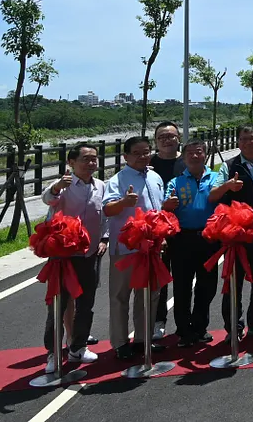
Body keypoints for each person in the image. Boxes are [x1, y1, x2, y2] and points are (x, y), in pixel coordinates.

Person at [166, 139, 241, 347]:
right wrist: (167, 205)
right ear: (183, 156)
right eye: (190, 152)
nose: (194, 155)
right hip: (182, 240)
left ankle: (200, 327)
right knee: (182, 286)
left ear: (205, 155)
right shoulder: (175, 182)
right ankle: (183, 330)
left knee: (207, 286)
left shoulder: (216, 179)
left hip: (210, 238)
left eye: (198, 152)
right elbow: (166, 207)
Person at [39, 143, 107, 372]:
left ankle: (78, 347)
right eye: (86, 159)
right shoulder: (64, 185)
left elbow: (103, 216)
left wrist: (104, 239)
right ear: (71, 162)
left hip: (89, 254)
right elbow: (48, 198)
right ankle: (53, 353)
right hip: (64, 256)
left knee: (86, 303)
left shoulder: (101, 186)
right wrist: (58, 186)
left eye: (94, 159)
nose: (91, 164)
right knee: (57, 305)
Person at [103, 136, 169, 360]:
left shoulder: (155, 176)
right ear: (126, 156)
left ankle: (143, 338)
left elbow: (159, 209)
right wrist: (123, 203)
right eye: (137, 153)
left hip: (151, 249)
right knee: (121, 296)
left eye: (146, 151)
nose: (143, 156)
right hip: (126, 249)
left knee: (149, 295)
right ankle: (120, 343)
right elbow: (107, 210)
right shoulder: (118, 180)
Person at [217, 124, 253, 340]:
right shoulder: (229, 166)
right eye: (243, 139)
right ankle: (233, 327)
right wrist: (227, 187)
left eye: (252, 138)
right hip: (237, 236)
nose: (248, 142)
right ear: (238, 142)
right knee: (234, 283)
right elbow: (215, 194)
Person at [149, 121, 184, 340]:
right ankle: (157, 321)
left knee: (183, 278)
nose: (167, 140)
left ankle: (184, 322)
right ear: (156, 141)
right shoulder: (149, 164)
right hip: (156, 231)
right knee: (158, 279)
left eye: (171, 136)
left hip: (184, 229)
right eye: (162, 137)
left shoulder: (187, 161)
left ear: (178, 138)